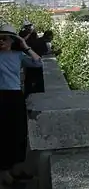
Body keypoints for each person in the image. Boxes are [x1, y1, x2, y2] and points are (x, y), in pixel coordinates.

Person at [0, 22, 42, 184]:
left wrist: (24, 45)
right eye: (0, 38)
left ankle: (15, 167)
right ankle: (4, 170)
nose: (2, 41)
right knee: (3, 130)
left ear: (12, 40)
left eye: (5, 38)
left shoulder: (18, 56)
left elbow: (38, 63)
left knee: (18, 130)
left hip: (15, 96)